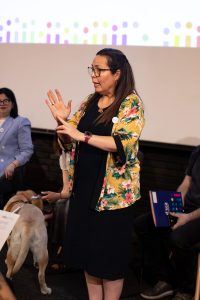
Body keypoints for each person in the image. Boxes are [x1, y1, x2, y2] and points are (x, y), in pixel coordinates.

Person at [45, 48, 145, 300]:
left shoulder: (131, 103)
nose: (94, 75)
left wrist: (82, 135)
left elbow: (123, 143)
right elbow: (68, 140)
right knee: (89, 257)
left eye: (100, 70)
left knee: (108, 262)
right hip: (85, 189)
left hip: (113, 197)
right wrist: (62, 123)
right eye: (92, 69)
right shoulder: (90, 101)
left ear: (117, 73)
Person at [134, 145, 200, 300]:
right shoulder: (197, 152)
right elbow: (186, 183)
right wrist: (177, 203)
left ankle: (187, 289)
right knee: (144, 224)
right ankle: (165, 279)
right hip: (188, 208)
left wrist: (188, 217)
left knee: (178, 238)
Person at [0, 87, 33, 208]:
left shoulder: (20, 122)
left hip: (6, 169)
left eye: (6, 100)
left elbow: (27, 150)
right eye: (0, 101)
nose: (2, 103)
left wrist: (13, 164)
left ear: (12, 103)